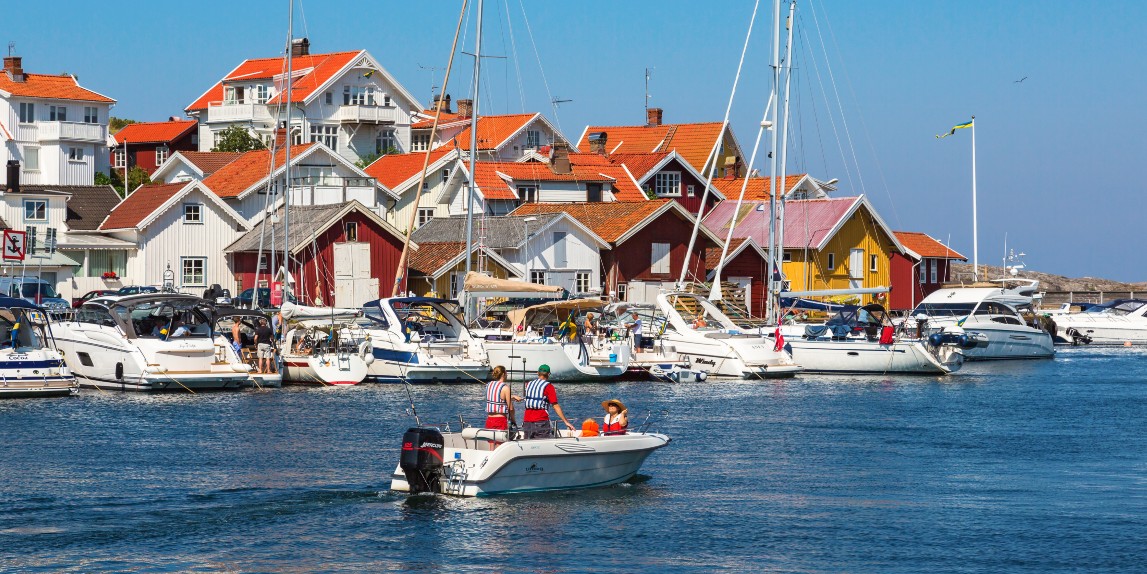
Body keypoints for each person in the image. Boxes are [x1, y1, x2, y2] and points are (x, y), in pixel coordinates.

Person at [522, 364, 574, 439]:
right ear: (549, 374)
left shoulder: (528, 384)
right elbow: (555, 406)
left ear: (537, 373)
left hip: (527, 421)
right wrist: (566, 422)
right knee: (542, 446)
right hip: (541, 421)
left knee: (528, 445)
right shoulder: (548, 387)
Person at [483, 365, 522, 430]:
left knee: (491, 439)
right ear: (503, 374)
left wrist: (512, 396)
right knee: (501, 440)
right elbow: (511, 408)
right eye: (506, 373)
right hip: (500, 421)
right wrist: (513, 421)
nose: (507, 375)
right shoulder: (505, 388)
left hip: (489, 420)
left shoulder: (488, 385)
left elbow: (496, 397)